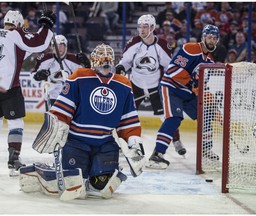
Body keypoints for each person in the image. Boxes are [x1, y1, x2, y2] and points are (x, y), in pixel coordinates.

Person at [20, 44, 145, 200]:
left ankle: (93, 175)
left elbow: (128, 120)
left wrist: (134, 144)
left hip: (105, 143)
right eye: (102, 60)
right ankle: (39, 173)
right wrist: (58, 127)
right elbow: (62, 110)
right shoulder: (80, 76)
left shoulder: (123, 84)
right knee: (71, 182)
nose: (104, 63)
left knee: (100, 188)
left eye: (106, 60)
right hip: (77, 142)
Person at [0, 9, 57, 176]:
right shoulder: (16, 34)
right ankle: (13, 162)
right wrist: (46, 25)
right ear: (18, 24)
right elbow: (39, 43)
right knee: (15, 122)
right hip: (8, 87)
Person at [146, 24, 220, 169]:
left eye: (214, 38)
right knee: (174, 119)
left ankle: (206, 151)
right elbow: (173, 70)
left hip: (187, 92)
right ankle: (157, 155)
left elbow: (201, 84)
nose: (211, 41)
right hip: (172, 88)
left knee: (206, 114)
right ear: (203, 37)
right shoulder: (190, 48)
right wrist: (193, 85)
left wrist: (205, 95)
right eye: (209, 37)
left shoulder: (210, 61)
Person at [116, 14, 186, 157]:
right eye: (140, 26)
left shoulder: (161, 45)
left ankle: (176, 140)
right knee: (125, 114)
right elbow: (126, 61)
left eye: (145, 26)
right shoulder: (134, 42)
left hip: (156, 87)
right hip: (136, 85)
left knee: (168, 116)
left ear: (152, 28)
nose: (141, 30)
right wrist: (120, 67)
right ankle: (121, 142)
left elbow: (169, 67)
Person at [32, 34, 90, 110]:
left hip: (70, 98)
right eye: (56, 45)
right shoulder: (45, 59)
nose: (59, 48)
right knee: (52, 121)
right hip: (51, 97)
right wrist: (37, 76)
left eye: (61, 45)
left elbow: (86, 77)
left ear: (66, 46)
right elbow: (33, 76)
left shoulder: (75, 59)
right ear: (52, 47)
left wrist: (87, 65)